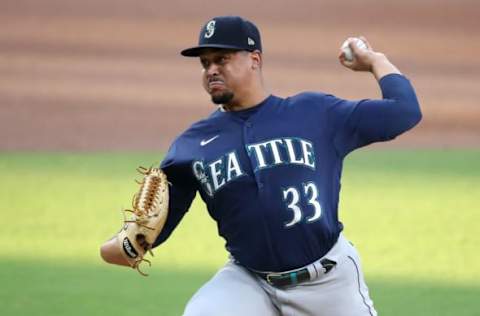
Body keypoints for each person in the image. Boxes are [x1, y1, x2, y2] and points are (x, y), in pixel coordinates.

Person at [101, 15, 422, 316]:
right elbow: (149, 233)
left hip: (329, 281)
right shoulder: (190, 146)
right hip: (249, 282)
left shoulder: (315, 114)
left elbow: (404, 111)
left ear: (255, 59)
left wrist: (375, 61)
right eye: (205, 63)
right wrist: (121, 247)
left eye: (222, 59)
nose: (211, 69)